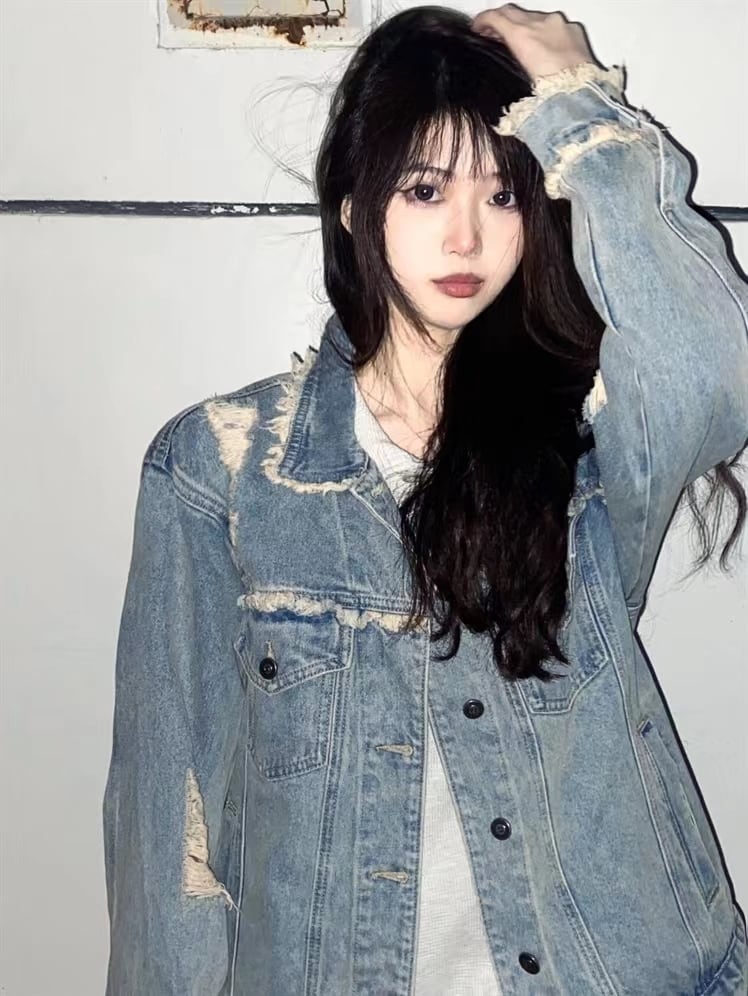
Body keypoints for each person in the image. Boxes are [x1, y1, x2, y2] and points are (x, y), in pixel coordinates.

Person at [102, 4, 748, 993]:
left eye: (502, 195)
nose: (466, 235)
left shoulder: (584, 447)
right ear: (353, 207)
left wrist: (576, 102)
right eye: (424, 188)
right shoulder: (223, 470)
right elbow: (169, 834)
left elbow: (716, 374)